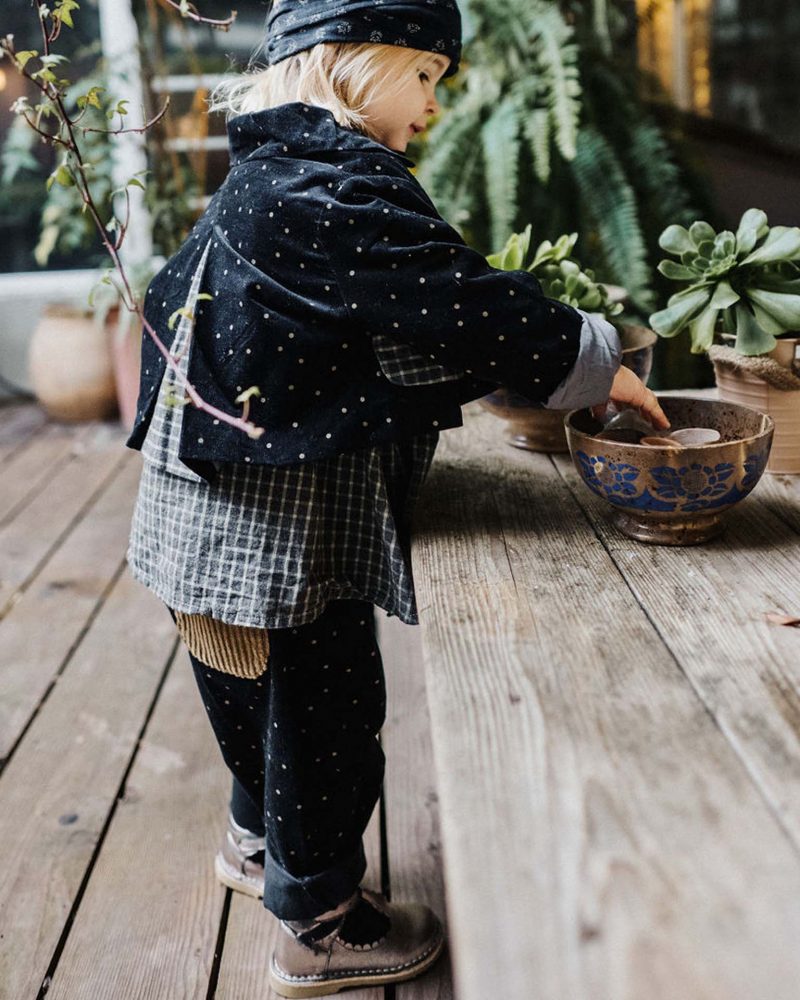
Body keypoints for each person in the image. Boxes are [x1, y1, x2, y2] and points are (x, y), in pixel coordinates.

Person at [125, 0, 669, 995]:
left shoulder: (267, 168)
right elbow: (459, 301)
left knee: (245, 684)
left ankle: (256, 840)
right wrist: (598, 361)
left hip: (193, 499)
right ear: (350, 62)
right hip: (278, 521)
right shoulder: (338, 183)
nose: (432, 102)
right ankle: (318, 924)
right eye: (421, 74)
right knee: (326, 711)